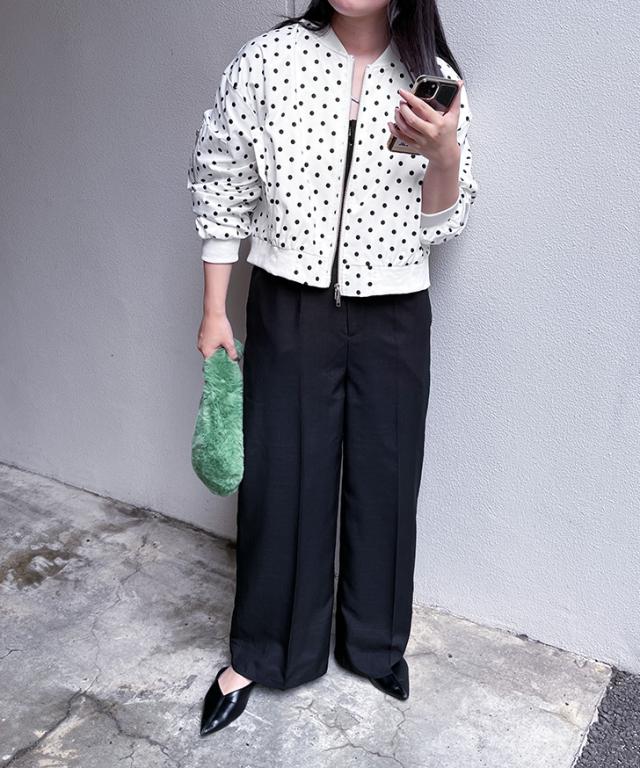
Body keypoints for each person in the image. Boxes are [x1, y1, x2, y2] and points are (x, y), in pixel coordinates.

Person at [187, 0, 478, 737]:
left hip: (395, 309)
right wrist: (215, 309)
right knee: (282, 481)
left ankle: (376, 644)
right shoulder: (268, 60)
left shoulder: (432, 76)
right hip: (290, 302)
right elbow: (222, 178)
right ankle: (265, 650)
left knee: (388, 480)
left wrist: (443, 152)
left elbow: (443, 223)